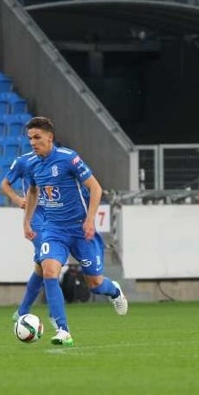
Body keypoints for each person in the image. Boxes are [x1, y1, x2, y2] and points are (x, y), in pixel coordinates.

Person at [22, 116, 128, 347]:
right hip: (53, 230)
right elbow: (32, 192)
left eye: (37, 137)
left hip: (81, 230)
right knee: (50, 272)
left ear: (50, 138)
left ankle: (114, 291)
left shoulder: (68, 159)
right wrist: (27, 221)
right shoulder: (31, 164)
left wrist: (90, 220)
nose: (32, 142)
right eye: (30, 138)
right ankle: (63, 330)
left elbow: (95, 187)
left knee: (96, 284)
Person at [1, 151, 52, 324]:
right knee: (50, 260)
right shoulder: (23, 161)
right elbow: (5, 184)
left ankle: (22, 311)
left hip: (54, 217)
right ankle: (55, 314)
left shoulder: (57, 159)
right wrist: (17, 199)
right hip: (35, 218)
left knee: (40, 266)